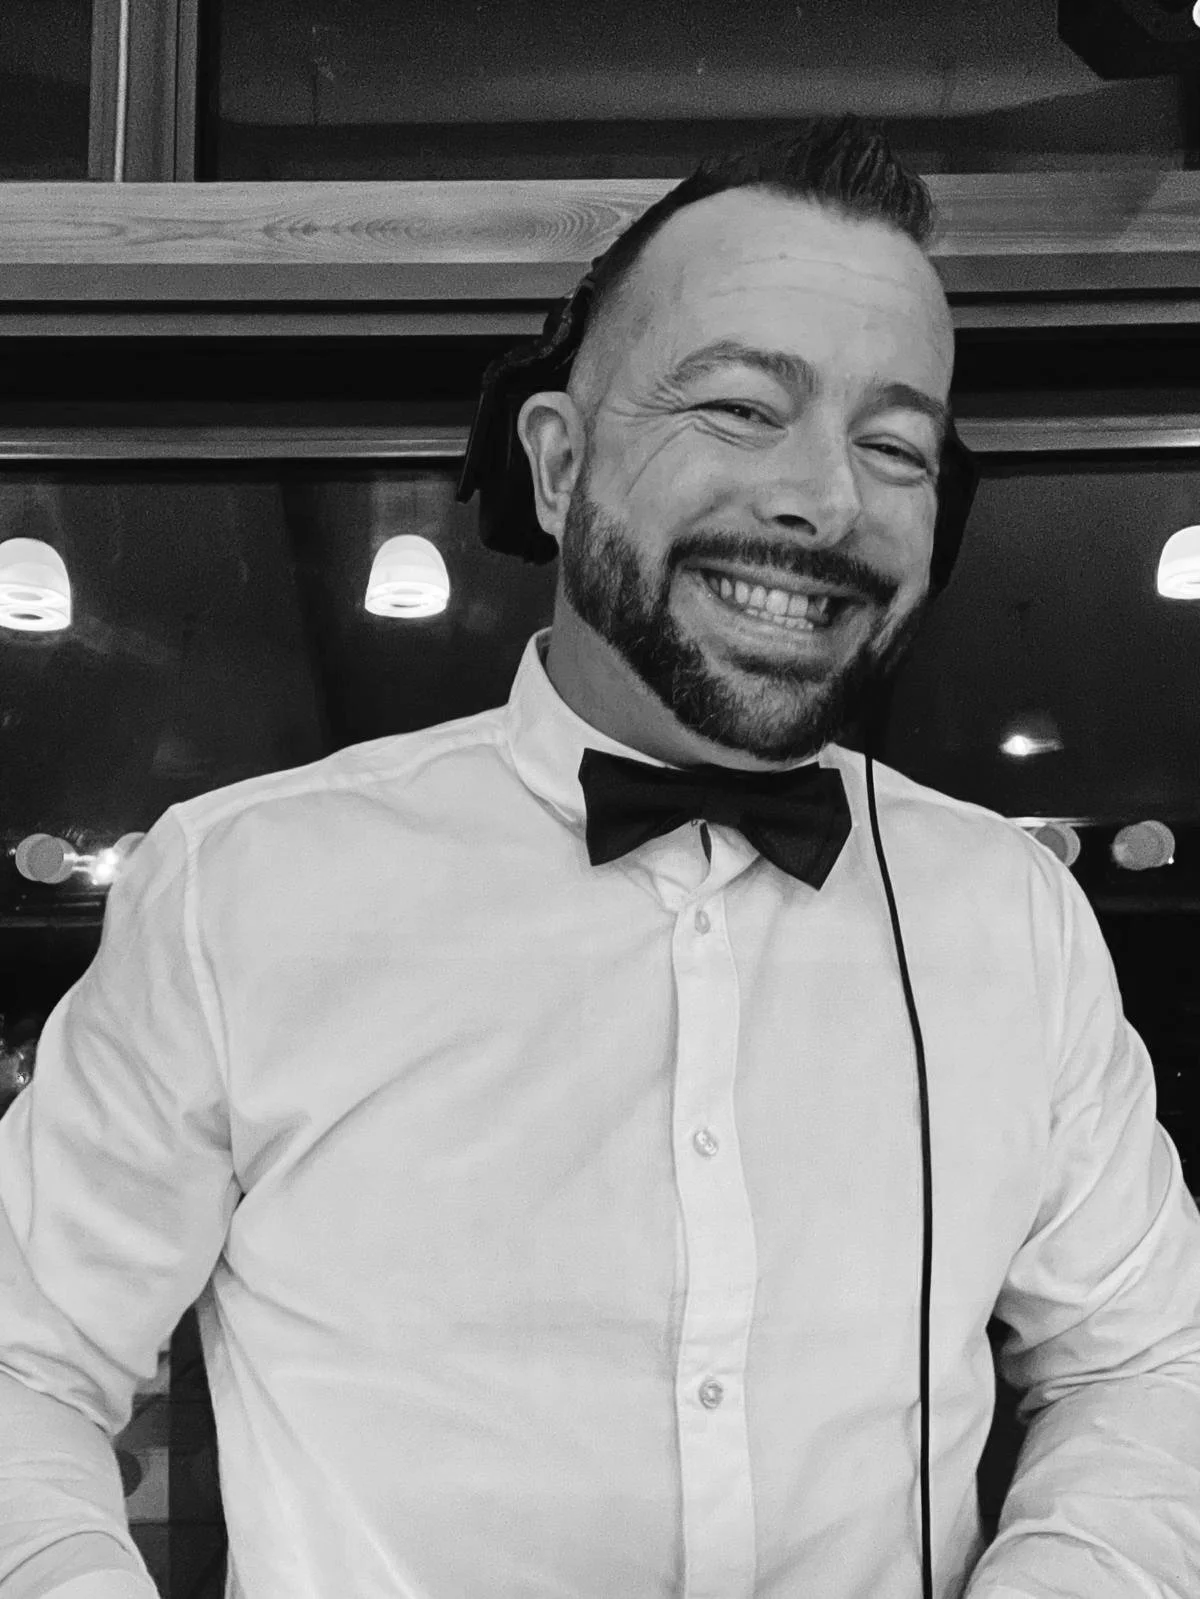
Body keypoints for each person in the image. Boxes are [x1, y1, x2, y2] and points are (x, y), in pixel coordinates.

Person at [2, 114, 1199, 1599]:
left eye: (894, 444)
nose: (824, 498)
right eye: (743, 408)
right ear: (561, 465)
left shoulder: (1012, 916)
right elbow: (21, 1363)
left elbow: (1151, 1363)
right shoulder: (240, 888)